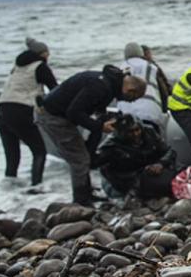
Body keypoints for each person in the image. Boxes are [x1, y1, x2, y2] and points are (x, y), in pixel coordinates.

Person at [37, 66, 147, 205]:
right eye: (134, 98)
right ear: (130, 90)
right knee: (79, 159)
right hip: (53, 117)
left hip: (60, 113)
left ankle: (87, 192)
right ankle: (81, 200)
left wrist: (107, 119)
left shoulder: (110, 84)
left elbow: (95, 109)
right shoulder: (100, 86)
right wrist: (100, 126)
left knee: (83, 156)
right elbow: (74, 112)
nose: (132, 102)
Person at [0, 37, 57, 186]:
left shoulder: (16, 67)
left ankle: (10, 190)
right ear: (42, 54)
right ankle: (36, 188)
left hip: (1, 112)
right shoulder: (40, 66)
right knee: (39, 151)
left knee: (12, 156)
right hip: (19, 111)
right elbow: (55, 90)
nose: (48, 56)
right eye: (47, 53)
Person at [93, 113, 177, 199]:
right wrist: (135, 180)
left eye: (137, 130)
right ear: (122, 133)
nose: (135, 134)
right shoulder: (110, 145)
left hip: (150, 171)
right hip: (125, 180)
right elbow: (103, 169)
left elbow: (169, 151)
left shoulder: (149, 132)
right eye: (130, 132)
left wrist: (160, 164)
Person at [118, 42, 170, 134]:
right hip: (150, 112)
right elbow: (163, 91)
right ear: (140, 53)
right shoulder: (151, 67)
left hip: (126, 113)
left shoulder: (121, 68)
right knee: (152, 141)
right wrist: (165, 110)